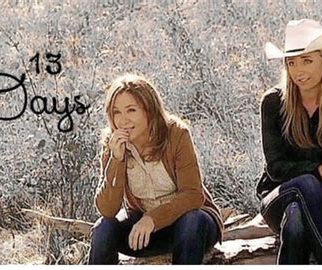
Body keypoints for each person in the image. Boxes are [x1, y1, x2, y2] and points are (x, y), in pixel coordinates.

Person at [257, 19, 322, 264]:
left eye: (307, 60)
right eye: (292, 62)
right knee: (305, 185)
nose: (298, 70)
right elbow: (275, 168)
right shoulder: (273, 103)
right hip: (277, 196)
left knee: (295, 222)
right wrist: (319, 169)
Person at [88, 73, 223, 265]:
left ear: (149, 110)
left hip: (191, 228)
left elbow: (193, 195)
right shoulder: (113, 143)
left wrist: (153, 219)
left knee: (192, 221)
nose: (123, 120)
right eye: (116, 112)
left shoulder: (176, 134)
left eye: (131, 110)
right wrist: (116, 160)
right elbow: (107, 209)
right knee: (103, 228)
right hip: (145, 231)